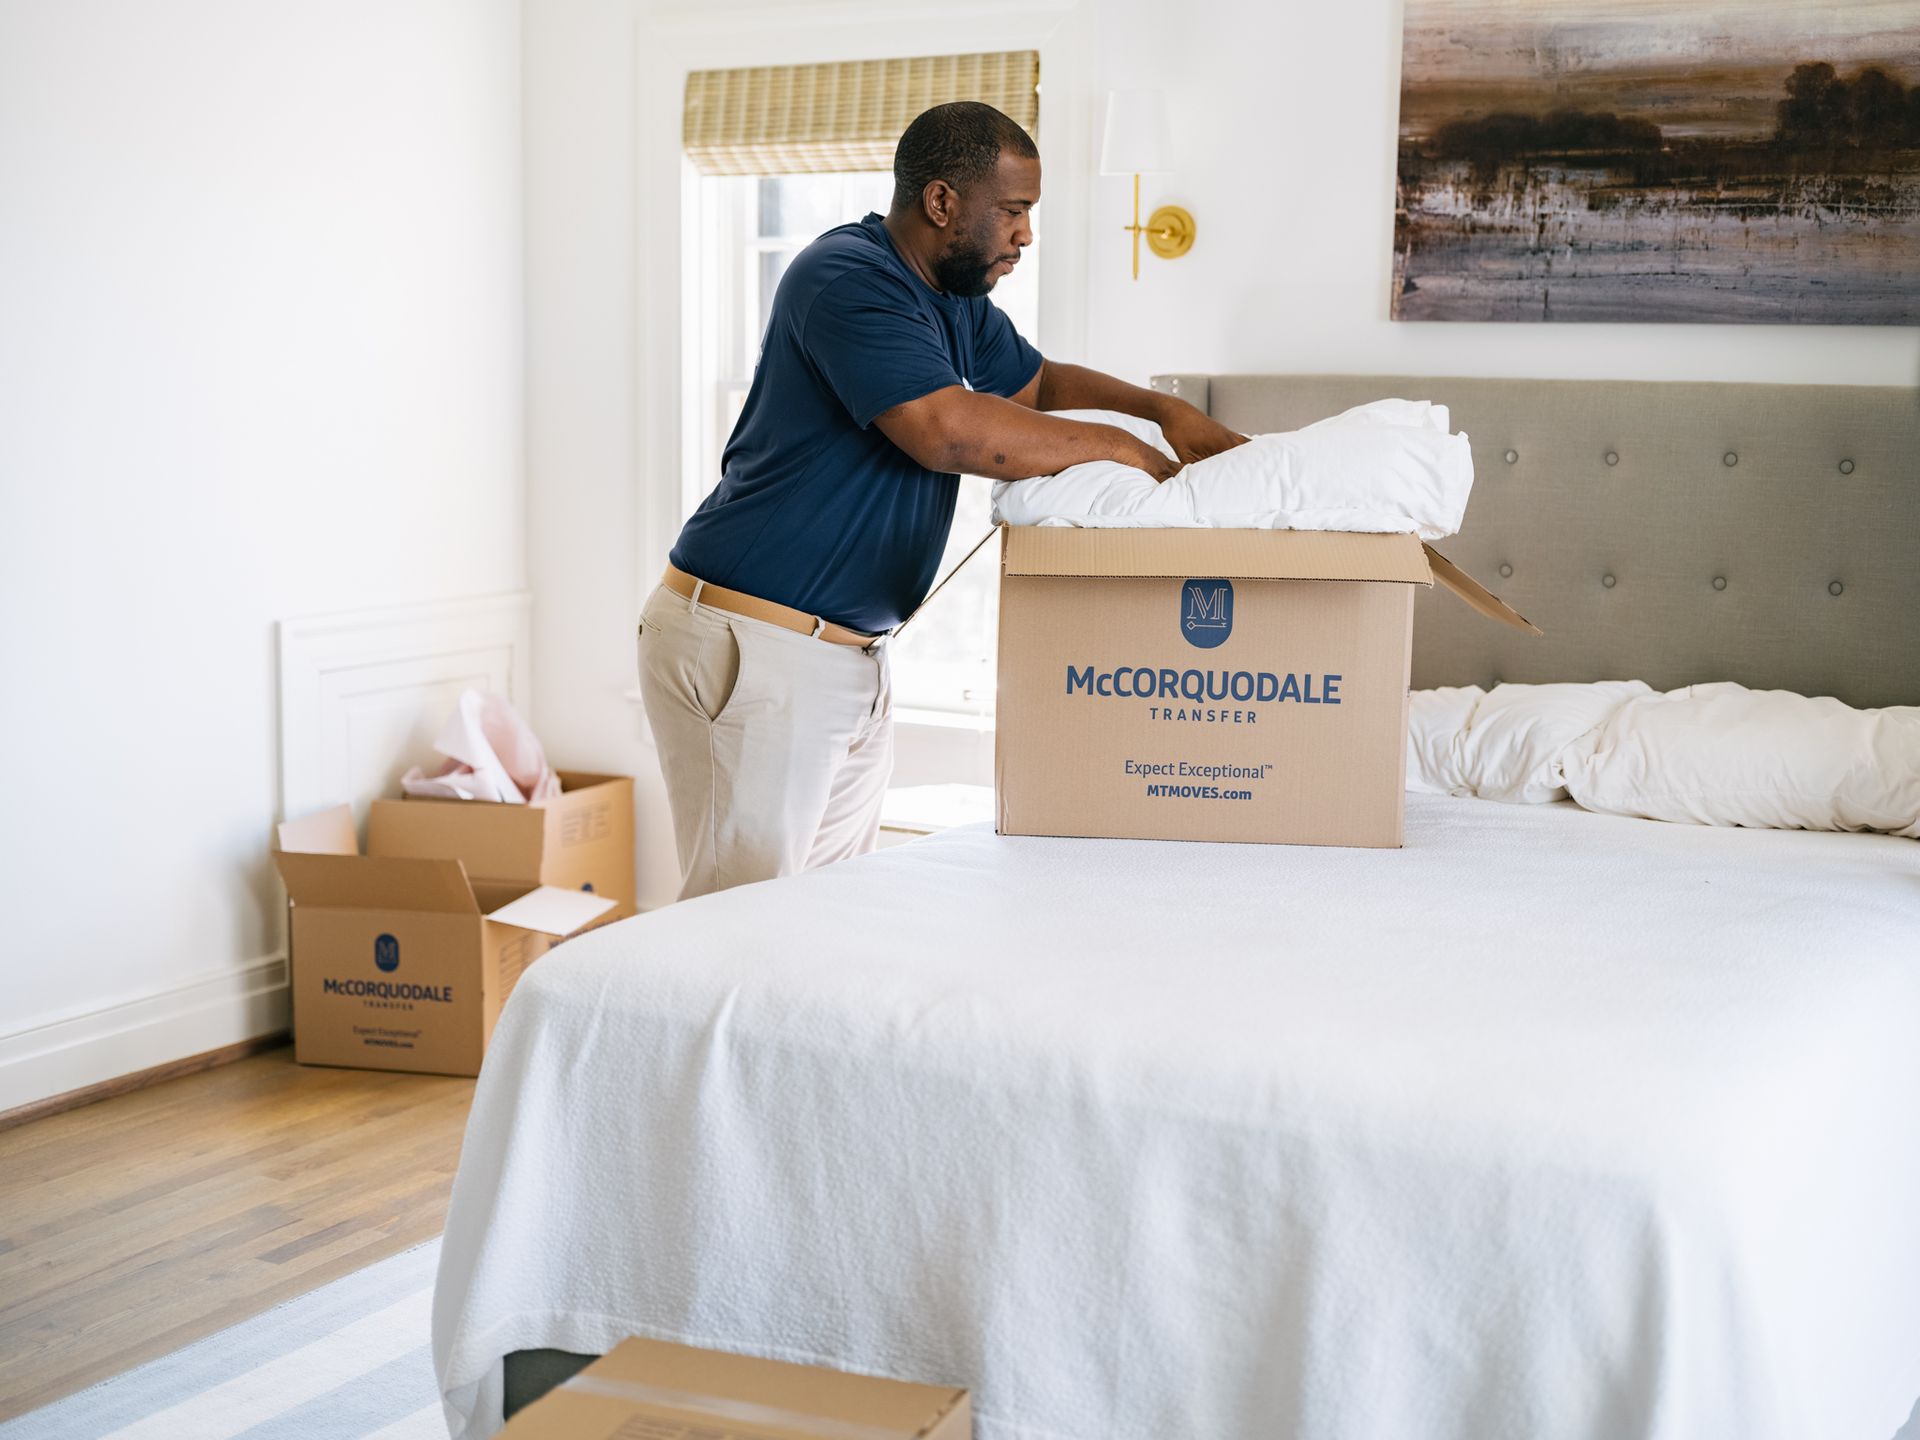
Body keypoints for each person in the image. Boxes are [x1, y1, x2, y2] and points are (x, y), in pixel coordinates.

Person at [637, 99, 1246, 900]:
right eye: (1016, 211)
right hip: (755, 644)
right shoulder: (845, 277)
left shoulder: (954, 302)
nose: (1026, 234)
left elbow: (1040, 384)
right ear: (941, 203)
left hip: (845, 657)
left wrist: (1161, 409)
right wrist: (1127, 450)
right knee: (736, 928)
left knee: (822, 921)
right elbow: (947, 431)